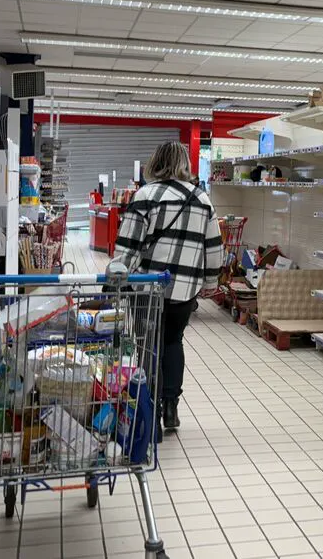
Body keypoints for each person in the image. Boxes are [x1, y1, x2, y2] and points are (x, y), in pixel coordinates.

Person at [113, 142, 223, 435]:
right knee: (174, 342)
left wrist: (116, 278)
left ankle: (153, 411)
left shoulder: (145, 196)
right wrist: (211, 281)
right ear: (185, 163)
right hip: (185, 290)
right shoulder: (202, 199)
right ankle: (172, 407)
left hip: (146, 288)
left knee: (149, 345)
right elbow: (214, 247)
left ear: (156, 162)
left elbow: (128, 245)